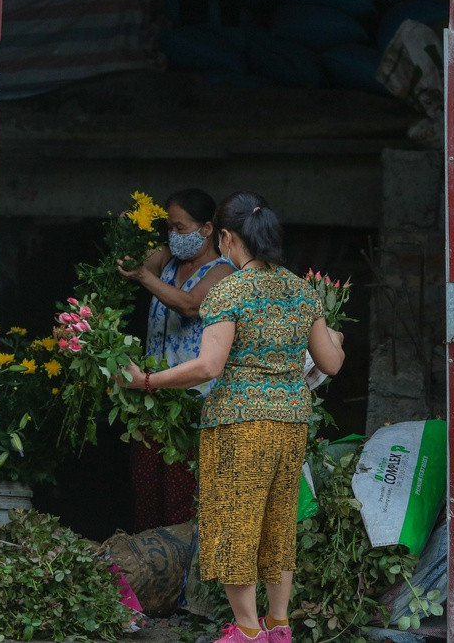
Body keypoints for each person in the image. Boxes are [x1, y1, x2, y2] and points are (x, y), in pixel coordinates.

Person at [120, 190, 345, 643]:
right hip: (289, 424)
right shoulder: (301, 290)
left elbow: (208, 366)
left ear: (225, 237)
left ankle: (246, 631)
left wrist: (145, 381)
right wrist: (332, 337)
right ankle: (279, 627)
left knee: (233, 525)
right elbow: (331, 364)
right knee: (277, 525)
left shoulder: (230, 290)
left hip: (239, 425)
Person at [117, 188, 233, 531]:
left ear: (207, 229)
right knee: (146, 492)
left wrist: (143, 276)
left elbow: (190, 304)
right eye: (170, 228)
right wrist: (133, 235)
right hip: (150, 397)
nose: (175, 236)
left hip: (191, 401)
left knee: (181, 497)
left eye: (182, 229)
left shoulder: (222, 272)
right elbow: (130, 263)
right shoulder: (167, 259)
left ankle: (181, 576)